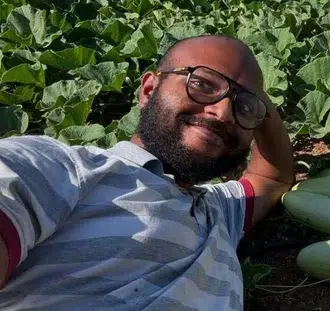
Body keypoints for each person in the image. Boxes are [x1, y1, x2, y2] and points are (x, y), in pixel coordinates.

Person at [0, 35, 295, 310]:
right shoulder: (58, 168)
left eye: (241, 107)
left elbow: (273, 177)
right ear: (149, 89)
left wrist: (257, 98)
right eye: (204, 84)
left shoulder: (218, 212)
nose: (223, 113)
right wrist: (245, 91)